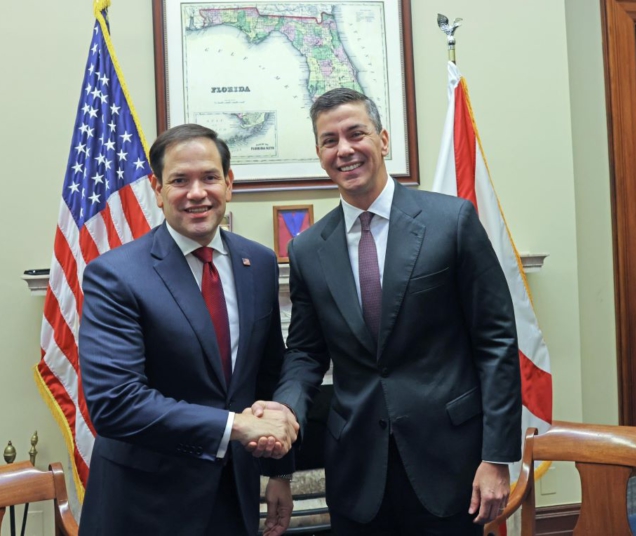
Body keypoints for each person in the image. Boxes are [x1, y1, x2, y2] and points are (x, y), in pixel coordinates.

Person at [254, 88, 522, 534]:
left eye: (355, 133)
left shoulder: (451, 222)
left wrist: (496, 456)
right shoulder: (306, 250)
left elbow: (496, 343)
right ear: (319, 154)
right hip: (356, 468)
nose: (344, 150)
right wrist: (285, 413)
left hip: (450, 461)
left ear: (382, 140)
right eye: (329, 140)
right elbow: (304, 353)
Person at [78, 124, 298, 536]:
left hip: (236, 498)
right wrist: (235, 426)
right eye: (180, 180)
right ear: (159, 192)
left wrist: (280, 472)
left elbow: (267, 376)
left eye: (210, 177)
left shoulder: (260, 263)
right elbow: (115, 404)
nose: (197, 193)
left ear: (229, 185)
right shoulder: (116, 275)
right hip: (145, 508)